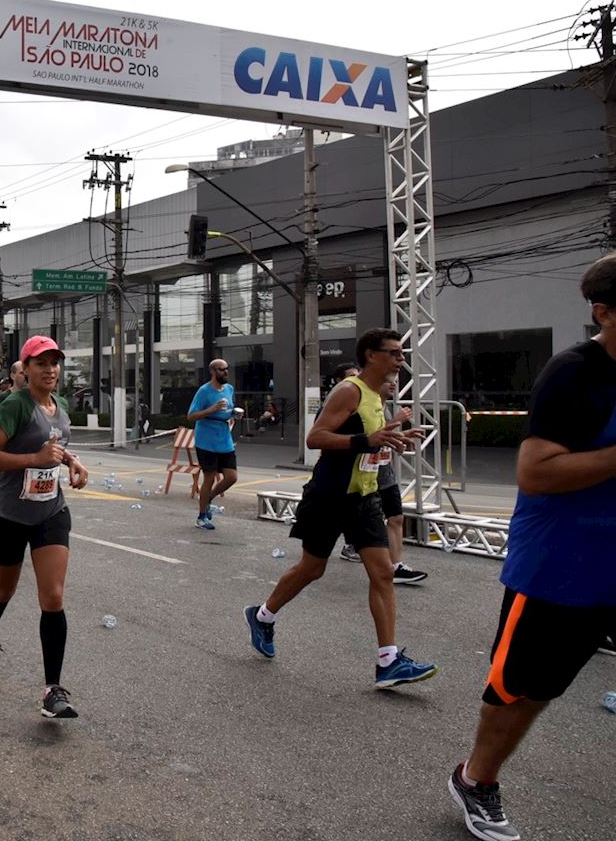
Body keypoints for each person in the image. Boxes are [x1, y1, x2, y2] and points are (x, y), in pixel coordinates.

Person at [447, 254, 616, 841]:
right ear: (605, 312)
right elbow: (537, 473)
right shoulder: (574, 374)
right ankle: (477, 778)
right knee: (524, 687)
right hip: (563, 565)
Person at [243, 328, 436, 689]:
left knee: (382, 573)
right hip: (329, 496)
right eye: (394, 353)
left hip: (363, 498)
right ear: (371, 355)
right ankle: (263, 616)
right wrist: (368, 440)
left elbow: (369, 444)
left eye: (401, 353)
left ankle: (388, 661)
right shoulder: (349, 391)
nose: (401, 359)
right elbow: (315, 438)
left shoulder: (377, 396)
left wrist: (394, 434)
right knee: (311, 569)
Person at [0, 336, 89, 719]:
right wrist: (34, 459)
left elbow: (54, 444)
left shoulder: (61, 406)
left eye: (55, 362)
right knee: (4, 589)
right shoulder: (14, 405)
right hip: (8, 515)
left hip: (50, 512)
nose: (50, 369)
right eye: (41, 363)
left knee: (52, 597)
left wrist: (71, 461)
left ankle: (52, 691)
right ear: (26, 368)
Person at [340, 375, 429, 585]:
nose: (393, 384)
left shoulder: (384, 406)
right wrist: (396, 421)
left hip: (384, 471)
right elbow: (369, 437)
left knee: (396, 517)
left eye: (395, 380)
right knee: (313, 565)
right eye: (387, 379)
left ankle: (395, 566)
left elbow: (383, 437)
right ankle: (351, 544)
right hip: (363, 475)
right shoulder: (362, 405)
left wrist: (402, 437)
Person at [186, 359, 238, 530]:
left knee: (232, 477)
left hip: (224, 439)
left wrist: (234, 414)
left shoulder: (229, 389)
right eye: (222, 370)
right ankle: (201, 517)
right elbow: (191, 416)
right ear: (213, 371)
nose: (226, 372)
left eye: (227, 369)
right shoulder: (204, 391)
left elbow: (227, 410)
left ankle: (208, 498)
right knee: (209, 477)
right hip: (206, 440)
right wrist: (212, 409)